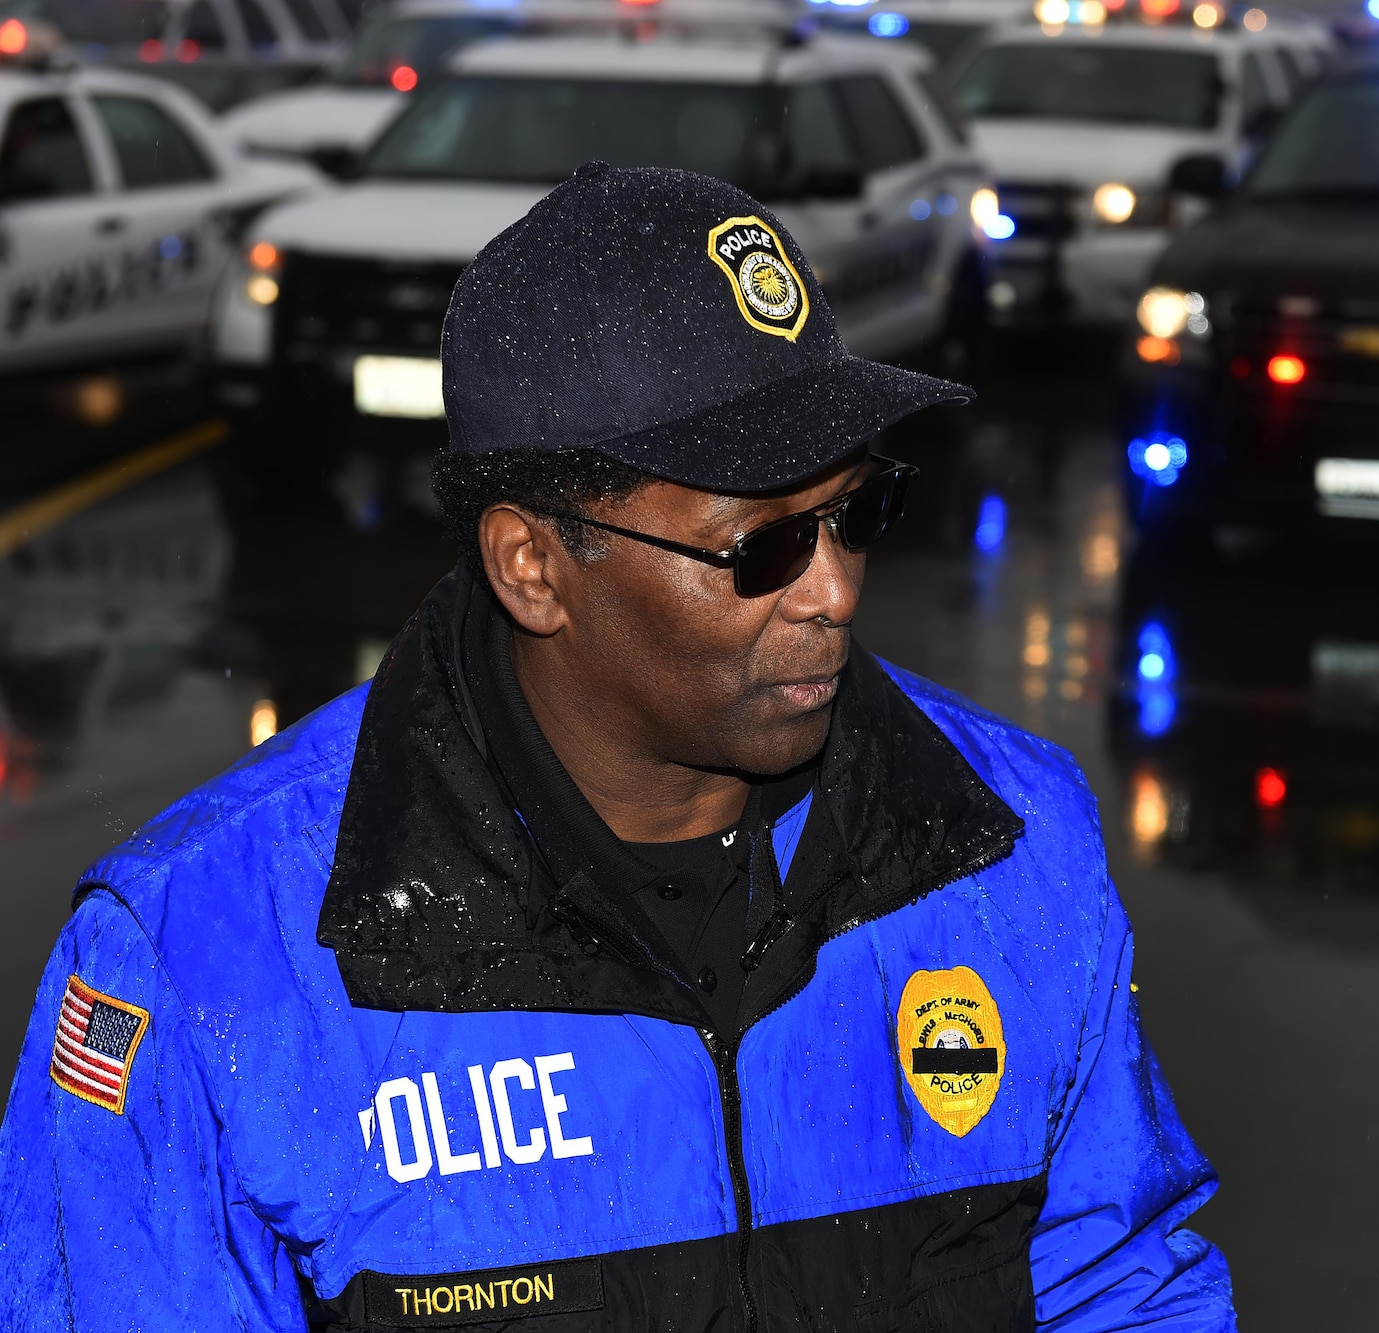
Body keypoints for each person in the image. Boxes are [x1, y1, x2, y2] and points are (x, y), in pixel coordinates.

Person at [0, 164, 1232, 1330]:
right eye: (762, 547)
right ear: (534, 567)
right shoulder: (205, 956)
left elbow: (1120, 1284)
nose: (834, 592)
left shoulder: (1006, 846)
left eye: (857, 514)